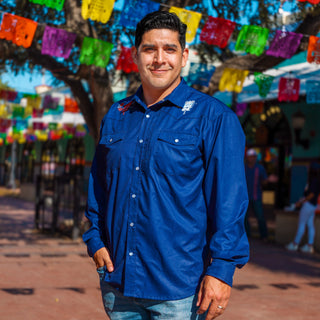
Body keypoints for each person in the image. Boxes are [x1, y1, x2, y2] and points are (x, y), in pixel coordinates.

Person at [83, 11, 249, 320]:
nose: (160, 59)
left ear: (184, 56)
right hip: (118, 284)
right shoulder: (116, 116)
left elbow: (229, 200)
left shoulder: (213, 118)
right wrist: (94, 239)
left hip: (181, 291)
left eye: (169, 49)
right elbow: (98, 186)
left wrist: (223, 269)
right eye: (150, 49)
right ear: (135, 55)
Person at [286, 162, 320, 254]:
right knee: (310, 225)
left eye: (309, 168)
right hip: (313, 205)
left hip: (308, 205)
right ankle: (309, 245)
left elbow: (311, 195)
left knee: (301, 224)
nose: (308, 169)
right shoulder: (316, 180)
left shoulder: (314, 181)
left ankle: (295, 244)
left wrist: (300, 202)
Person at [244, 148, 269, 240]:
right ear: (247, 157)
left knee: (260, 216)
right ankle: (247, 235)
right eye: (250, 157)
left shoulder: (260, 168)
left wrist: (268, 180)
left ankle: (264, 235)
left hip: (256, 196)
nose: (252, 158)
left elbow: (264, 181)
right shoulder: (244, 167)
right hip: (245, 197)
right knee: (244, 217)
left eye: (254, 156)